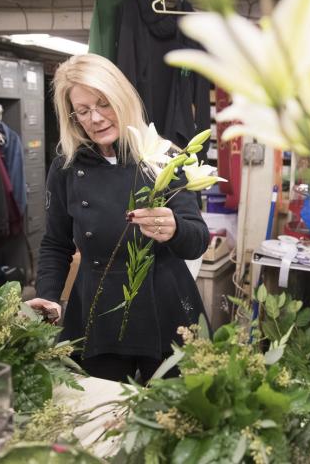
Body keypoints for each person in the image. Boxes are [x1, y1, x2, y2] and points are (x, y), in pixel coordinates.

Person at [27, 53, 210, 382]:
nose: (95, 118)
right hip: (99, 311)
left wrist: (175, 228)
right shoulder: (66, 168)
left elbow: (197, 240)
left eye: (103, 104)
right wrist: (49, 295)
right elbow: (55, 242)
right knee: (99, 413)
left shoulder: (162, 156)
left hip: (166, 309)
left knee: (177, 417)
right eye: (83, 111)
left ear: (122, 99)